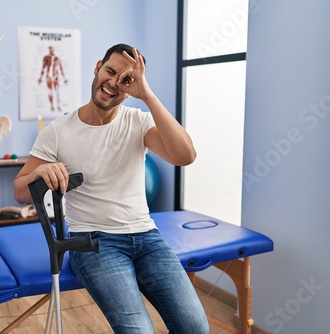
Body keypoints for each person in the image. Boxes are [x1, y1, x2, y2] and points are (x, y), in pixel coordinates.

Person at [14, 43, 208, 334]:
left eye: (126, 80)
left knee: (195, 327)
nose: (113, 83)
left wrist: (147, 95)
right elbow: (18, 191)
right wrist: (39, 171)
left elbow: (185, 156)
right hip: (93, 243)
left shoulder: (139, 122)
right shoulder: (57, 132)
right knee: (138, 331)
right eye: (110, 71)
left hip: (147, 238)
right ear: (97, 67)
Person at [37, 45, 68, 111]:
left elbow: (61, 68)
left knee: (57, 91)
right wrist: (40, 77)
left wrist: (64, 78)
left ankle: (58, 105)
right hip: (49, 76)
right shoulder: (46, 57)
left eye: (52, 49)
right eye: (50, 49)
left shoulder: (57, 58)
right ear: (49, 49)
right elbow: (43, 68)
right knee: (50, 91)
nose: (51, 50)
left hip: (55, 76)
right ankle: (51, 106)